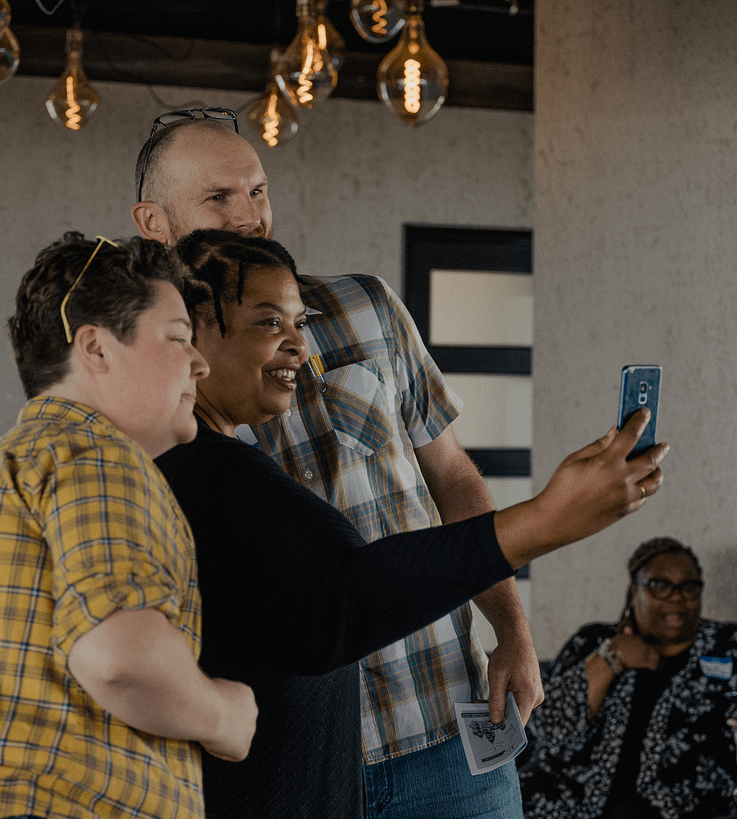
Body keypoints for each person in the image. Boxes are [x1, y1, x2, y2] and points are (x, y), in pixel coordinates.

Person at [154, 228, 668, 818]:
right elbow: (350, 596)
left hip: (436, 720)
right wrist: (549, 519)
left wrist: (513, 620)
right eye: (270, 323)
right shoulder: (198, 471)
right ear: (190, 331)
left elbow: (366, 572)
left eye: (300, 322)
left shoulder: (215, 459)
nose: (298, 345)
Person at [131, 107, 543, 818]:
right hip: (287, 763)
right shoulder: (142, 373)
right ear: (153, 222)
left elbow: (453, 477)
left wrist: (513, 629)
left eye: (257, 190)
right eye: (218, 197)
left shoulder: (368, 308)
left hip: (440, 725)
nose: (249, 215)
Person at [0, 233, 257, 819]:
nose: (200, 362)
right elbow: (120, 659)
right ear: (96, 348)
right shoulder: (98, 454)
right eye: (177, 338)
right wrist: (224, 716)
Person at [519, 537, 737, 819]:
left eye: (689, 586)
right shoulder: (593, 641)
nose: (676, 596)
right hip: (570, 803)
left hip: (682, 809)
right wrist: (611, 659)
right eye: (659, 585)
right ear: (634, 589)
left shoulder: (727, 647)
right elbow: (547, 728)